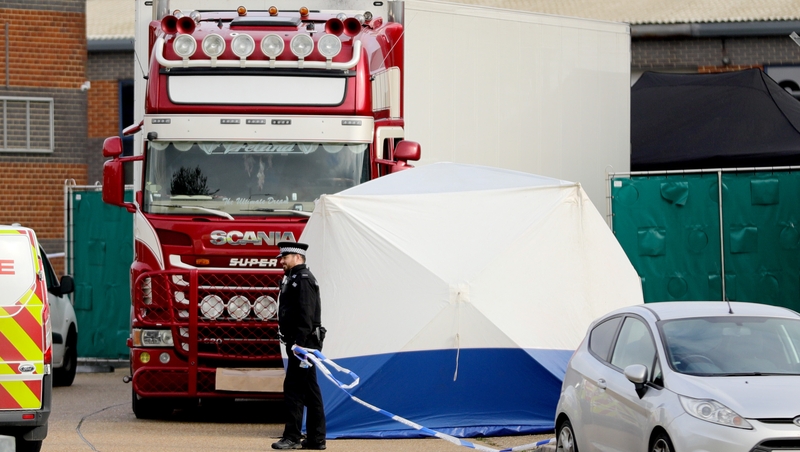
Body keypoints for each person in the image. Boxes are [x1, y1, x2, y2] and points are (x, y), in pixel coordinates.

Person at [271, 241, 327, 451]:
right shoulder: (293, 278)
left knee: (294, 389)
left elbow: (306, 313)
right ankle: (316, 438)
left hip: (303, 345)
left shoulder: (302, 279)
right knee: (310, 390)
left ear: (298, 257)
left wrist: (299, 345)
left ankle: (292, 437)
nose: (282, 261)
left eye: (285, 257)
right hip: (300, 343)